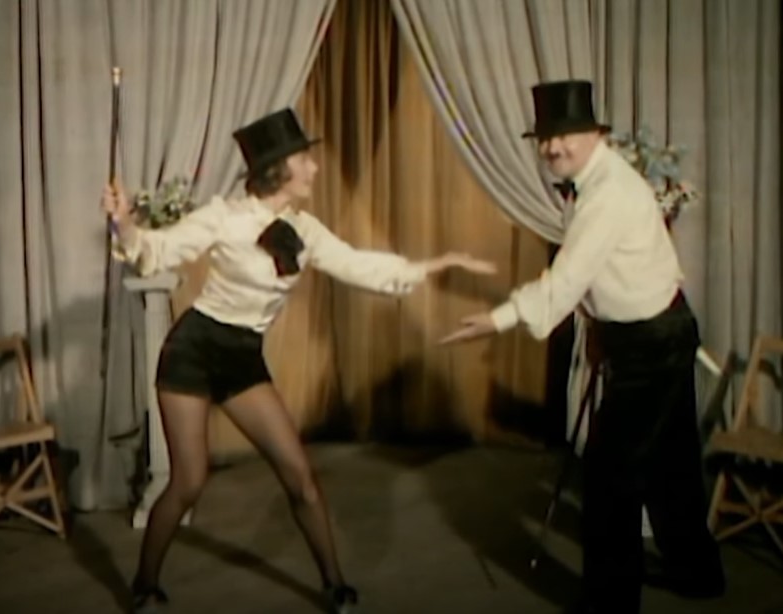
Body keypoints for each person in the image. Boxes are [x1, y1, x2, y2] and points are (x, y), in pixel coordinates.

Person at [103, 107, 496, 613]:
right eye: (305, 159)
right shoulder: (224, 217)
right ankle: (145, 584)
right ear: (278, 170)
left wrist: (432, 265)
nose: (314, 167)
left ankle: (335, 586)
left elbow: (357, 265)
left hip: (243, 357)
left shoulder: (304, 230)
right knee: (189, 481)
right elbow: (156, 249)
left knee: (301, 477)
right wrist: (124, 225)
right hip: (193, 352)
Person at [439, 81, 725, 613]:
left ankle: (610, 604)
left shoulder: (609, 194)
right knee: (671, 461)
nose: (553, 147)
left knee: (611, 477)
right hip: (653, 331)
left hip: (652, 341)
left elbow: (568, 279)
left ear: (595, 134)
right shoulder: (592, 182)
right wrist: (598, 331)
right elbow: (600, 277)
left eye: (566, 135)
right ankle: (698, 573)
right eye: (545, 138)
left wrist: (498, 318)